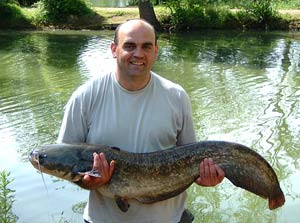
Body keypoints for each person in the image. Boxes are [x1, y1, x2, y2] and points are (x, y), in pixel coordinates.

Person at [57, 19, 225, 223]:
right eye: (129, 45)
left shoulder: (176, 96)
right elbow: (65, 161)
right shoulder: (85, 97)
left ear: (155, 50)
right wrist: (87, 182)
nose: (138, 54)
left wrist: (206, 177)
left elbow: (192, 157)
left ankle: (274, 194)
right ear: (114, 49)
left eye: (146, 46)